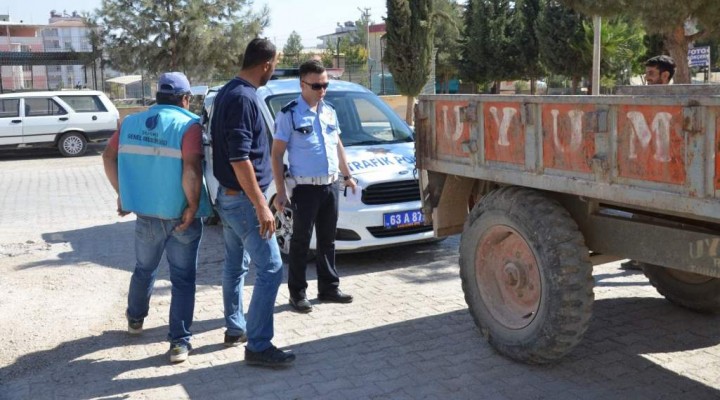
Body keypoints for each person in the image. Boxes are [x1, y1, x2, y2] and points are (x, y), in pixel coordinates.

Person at [102, 71, 212, 363]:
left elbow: (107, 157)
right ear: (185, 99)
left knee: (143, 268)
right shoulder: (189, 125)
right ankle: (178, 344)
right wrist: (192, 205)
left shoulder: (130, 123)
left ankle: (135, 320)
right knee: (183, 279)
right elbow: (191, 169)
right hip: (180, 216)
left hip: (146, 214)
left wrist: (123, 194)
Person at [210, 38, 295, 368]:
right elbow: (239, 157)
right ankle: (258, 345)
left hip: (230, 199)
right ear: (266, 64)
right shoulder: (243, 98)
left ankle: (236, 328)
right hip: (244, 203)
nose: (273, 70)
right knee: (272, 269)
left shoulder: (229, 92)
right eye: (274, 65)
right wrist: (261, 205)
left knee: (235, 265)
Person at [271, 60, 357, 314]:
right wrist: (280, 191)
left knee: (328, 240)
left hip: (330, 185)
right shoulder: (289, 114)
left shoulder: (329, 110)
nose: (322, 91)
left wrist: (347, 175)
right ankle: (297, 293)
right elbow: (276, 155)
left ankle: (329, 287)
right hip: (305, 189)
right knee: (301, 241)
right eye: (317, 86)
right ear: (303, 85)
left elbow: (337, 144)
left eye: (325, 85)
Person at [621, 55, 677, 272]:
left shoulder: (675, 100)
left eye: (652, 74)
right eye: (647, 74)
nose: (647, 79)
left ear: (665, 75)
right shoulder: (645, 99)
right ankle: (639, 258)